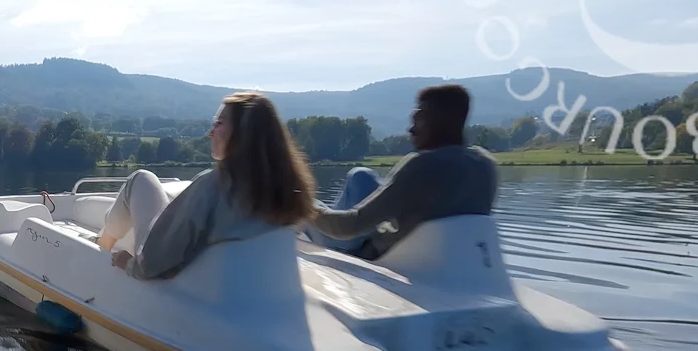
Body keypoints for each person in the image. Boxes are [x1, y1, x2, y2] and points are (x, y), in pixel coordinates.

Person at [94, 92, 316, 280]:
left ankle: (99, 246)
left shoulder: (214, 187)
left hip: (183, 285)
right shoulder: (290, 193)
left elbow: (151, 263)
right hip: (257, 289)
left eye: (218, 124)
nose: (210, 132)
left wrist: (129, 263)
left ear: (242, 135)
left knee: (140, 179)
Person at [309, 84, 497, 259]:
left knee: (308, 205)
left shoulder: (422, 165)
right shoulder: (485, 163)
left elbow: (348, 227)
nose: (411, 129)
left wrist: (304, 207)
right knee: (360, 176)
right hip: (450, 254)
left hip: (379, 254)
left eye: (418, 119)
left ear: (439, 123)